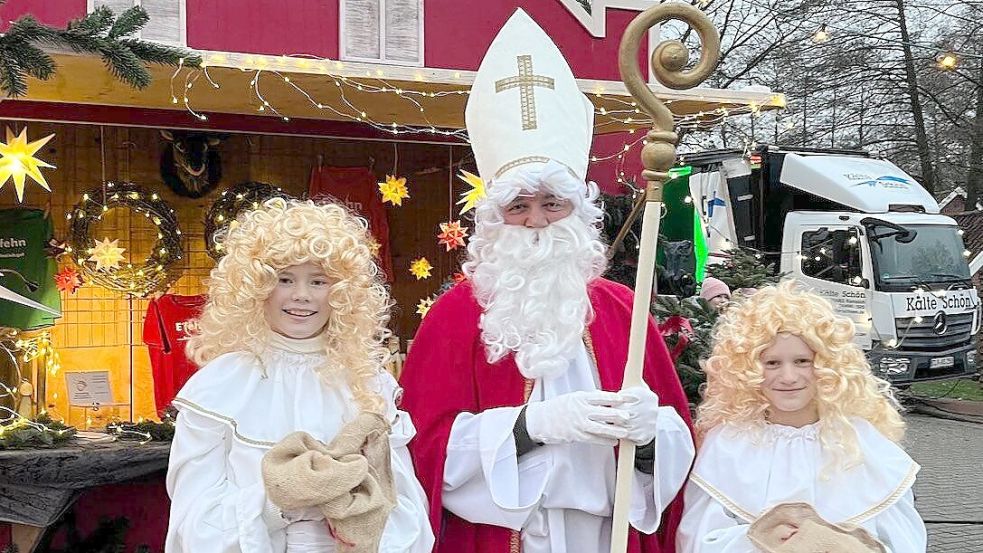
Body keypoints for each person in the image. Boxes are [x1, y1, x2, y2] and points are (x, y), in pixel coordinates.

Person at [399, 9, 694, 553]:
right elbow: (423, 449)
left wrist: (652, 435)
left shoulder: (621, 311)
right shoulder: (457, 315)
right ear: (493, 216)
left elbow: (679, 447)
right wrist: (532, 426)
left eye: (552, 204)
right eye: (519, 205)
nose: (536, 220)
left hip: (606, 535)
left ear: (577, 211)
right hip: (502, 537)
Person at [165, 199, 434, 553]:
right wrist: (277, 503)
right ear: (256, 287)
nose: (302, 296)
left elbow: (407, 512)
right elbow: (191, 520)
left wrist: (359, 519)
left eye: (318, 281)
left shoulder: (367, 384)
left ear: (341, 292)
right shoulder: (221, 385)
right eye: (285, 279)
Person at [676, 280, 927, 552]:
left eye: (802, 361)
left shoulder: (860, 442)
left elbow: (905, 540)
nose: (788, 377)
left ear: (827, 364)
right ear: (746, 368)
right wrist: (757, 541)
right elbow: (697, 540)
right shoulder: (727, 444)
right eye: (772, 363)